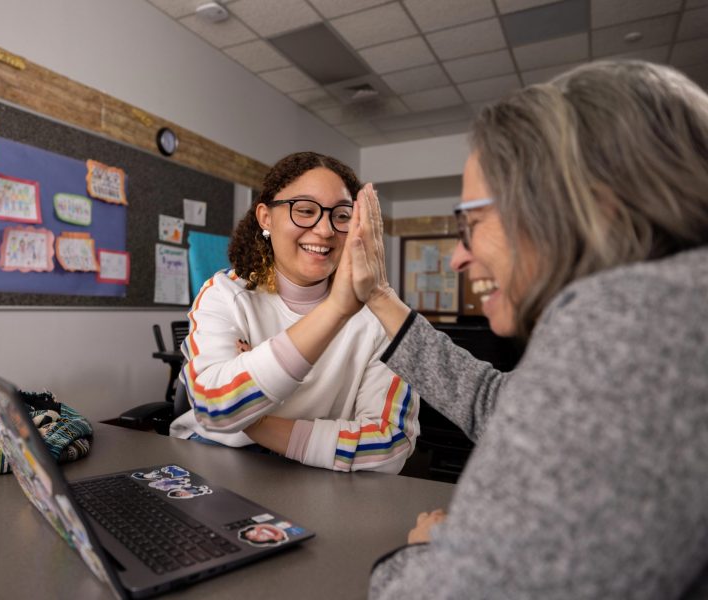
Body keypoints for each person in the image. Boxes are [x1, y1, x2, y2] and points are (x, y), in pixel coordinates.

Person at [338, 60, 708, 598]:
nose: (459, 256)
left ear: (583, 207)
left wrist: (424, 552)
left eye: (472, 224)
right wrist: (377, 295)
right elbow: (498, 402)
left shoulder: (628, 324)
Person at [169, 151, 419, 474]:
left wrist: (256, 420)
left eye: (341, 215)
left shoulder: (380, 315)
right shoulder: (225, 295)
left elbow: (391, 443)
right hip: (214, 459)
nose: (325, 229)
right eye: (304, 210)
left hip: (314, 471)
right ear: (265, 218)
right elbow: (212, 407)